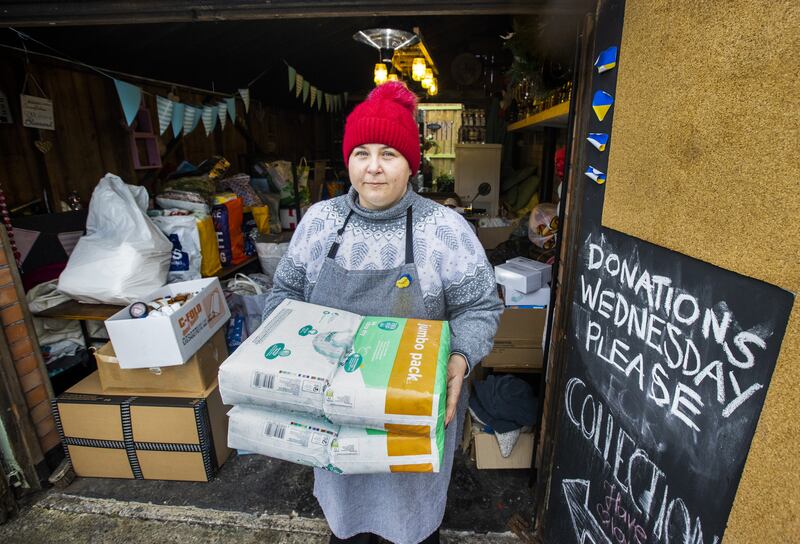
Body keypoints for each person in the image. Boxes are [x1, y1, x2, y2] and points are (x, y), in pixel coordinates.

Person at [261, 81, 502, 544]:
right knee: (346, 525)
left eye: (389, 154)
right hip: (332, 412)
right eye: (362, 152)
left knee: (408, 525)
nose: (373, 168)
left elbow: (480, 306)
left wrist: (461, 357)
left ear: (411, 164)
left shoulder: (444, 230)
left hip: (409, 417)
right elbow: (285, 293)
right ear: (347, 158)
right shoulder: (319, 222)